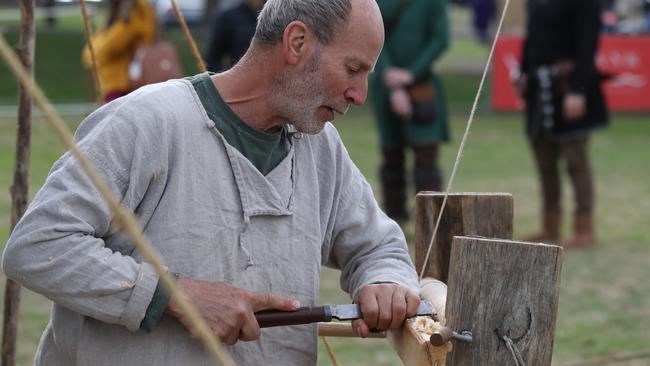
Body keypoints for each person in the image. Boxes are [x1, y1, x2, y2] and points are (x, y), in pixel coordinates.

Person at [3, 0, 422, 365]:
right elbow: (39, 245)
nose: (360, 94)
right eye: (353, 69)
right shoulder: (147, 122)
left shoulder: (320, 147)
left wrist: (384, 280)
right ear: (297, 43)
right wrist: (174, 297)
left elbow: (377, 245)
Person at [517, 0, 609, 248]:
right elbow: (532, 38)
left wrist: (578, 90)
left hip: (569, 86)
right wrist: (524, 74)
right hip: (540, 88)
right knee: (545, 163)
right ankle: (550, 227)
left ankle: (584, 230)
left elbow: (587, 44)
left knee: (576, 163)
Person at [371, 0, 450, 225]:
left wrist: (411, 74)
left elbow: (440, 39)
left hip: (422, 84)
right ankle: (395, 221)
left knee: (426, 157)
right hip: (385, 85)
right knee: (391, 154)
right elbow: (374, 33)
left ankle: (431, 223)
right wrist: (390, 76)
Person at [82, 0, 156, 102]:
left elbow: (110, 47)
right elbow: (90, 55)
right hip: (111, 86)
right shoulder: (114, 21)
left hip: (125, 87)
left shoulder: (134, 15)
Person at [204, 0, 265, 72]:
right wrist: (225, 79)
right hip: (241, 77)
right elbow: (212, 59)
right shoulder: (229, 18)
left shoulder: (276, 15)